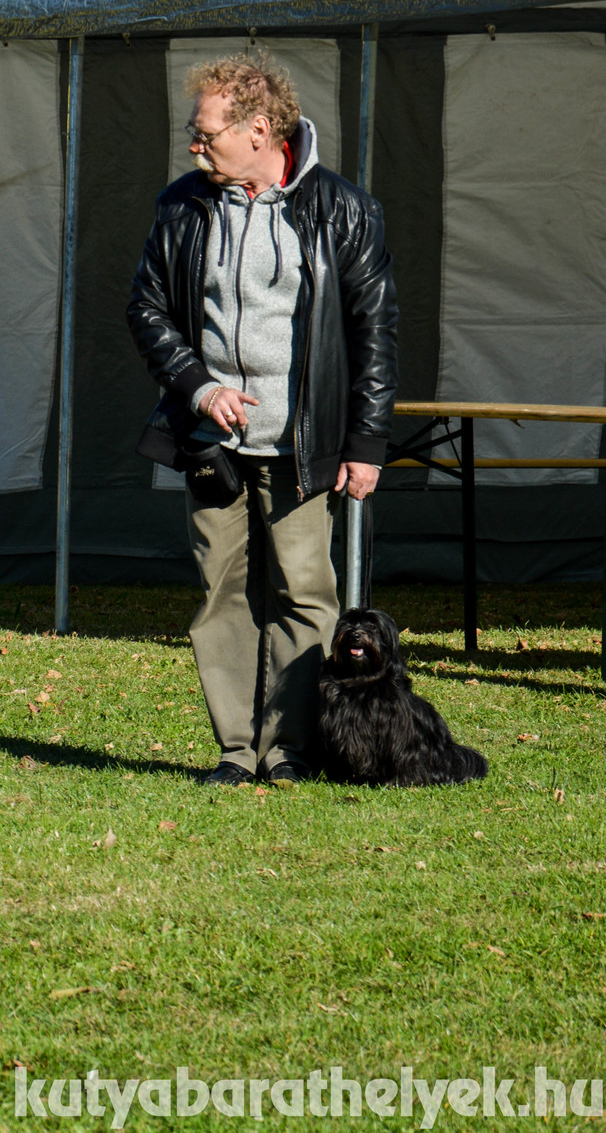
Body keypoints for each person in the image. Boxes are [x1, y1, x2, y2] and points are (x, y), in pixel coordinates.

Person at [126, 52, 397, 786]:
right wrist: (197, 386)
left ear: (259, 129)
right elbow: (145, 309)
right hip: (213, 443)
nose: (194, 144)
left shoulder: (344, 209)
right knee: (221, 593)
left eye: (204, 131)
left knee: (306, 593)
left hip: (302, 445)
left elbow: (375, 331)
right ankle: (237, 749)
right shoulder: (181, 205)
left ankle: (291, 749)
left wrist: (366, 443)